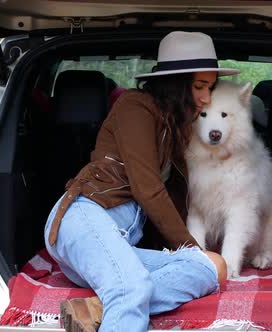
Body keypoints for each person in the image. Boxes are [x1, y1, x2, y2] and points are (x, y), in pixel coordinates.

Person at [44, 31, 240, 332]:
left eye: (210, 88)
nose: (206, 97)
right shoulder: (134, 107)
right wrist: (188, 247)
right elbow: (147, 189)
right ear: (176, 84)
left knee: (214, 266)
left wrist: (192, 255)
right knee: (131, 288)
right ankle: (122, 297)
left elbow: (175, 195)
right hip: (84, 219)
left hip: (120, 240)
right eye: (200, 86)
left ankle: (97, 306)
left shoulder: (174, 126)